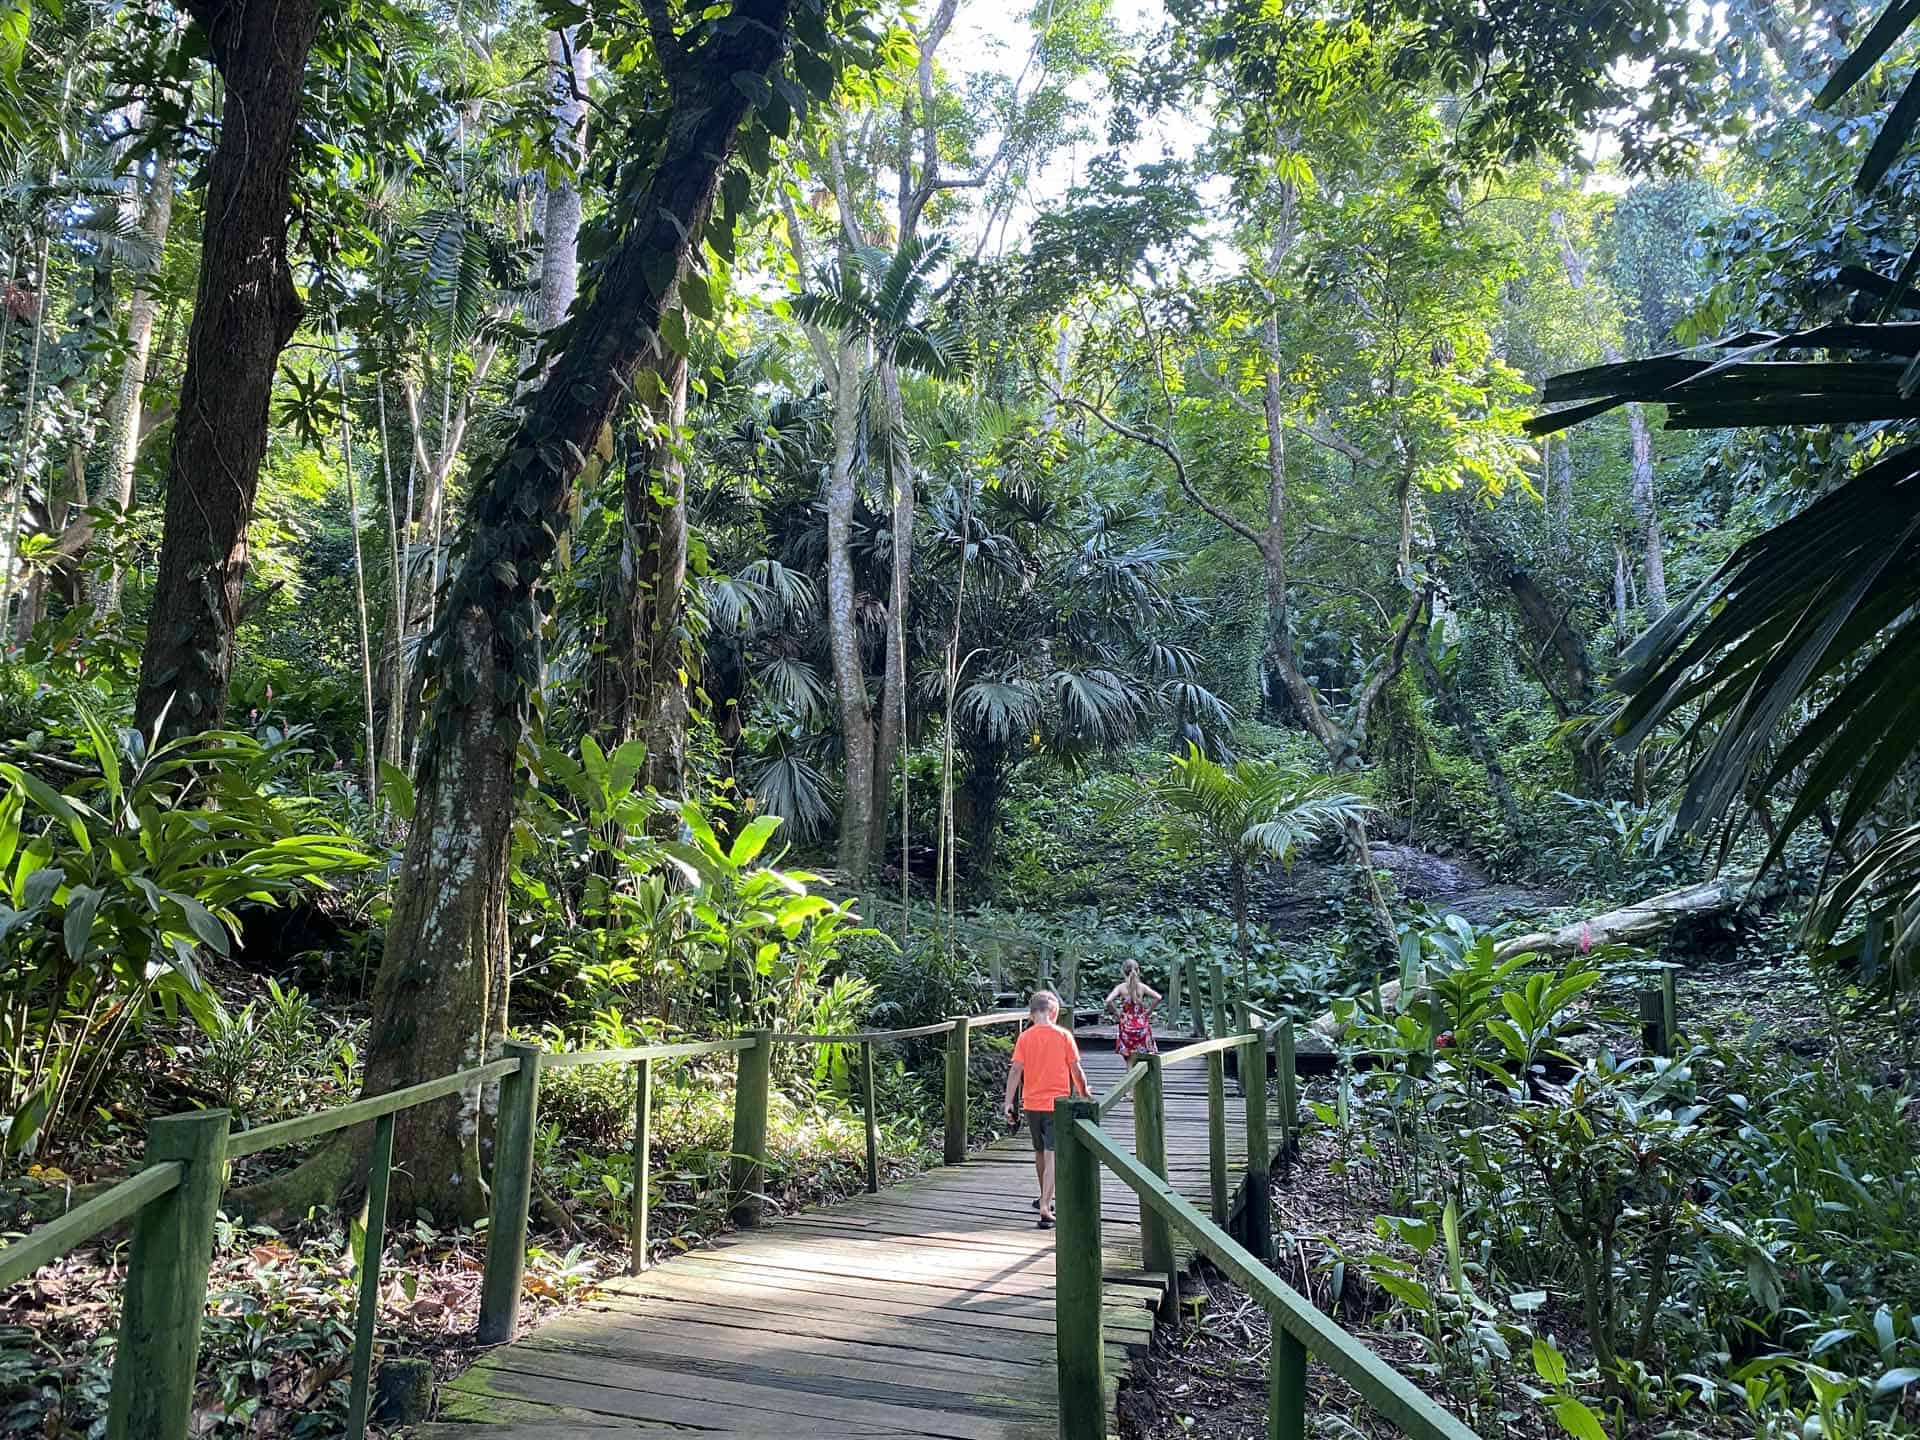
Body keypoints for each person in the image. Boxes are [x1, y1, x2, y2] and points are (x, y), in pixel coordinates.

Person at [1003, 990, 1091, 1229]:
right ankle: (1045, 1205)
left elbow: (1015, 1071)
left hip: (1031, 1102)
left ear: (1031, 1015)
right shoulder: (1063, 1036)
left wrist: (1008, 1101)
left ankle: (1045, 1196)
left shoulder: (1025, 1037)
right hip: (1057, 1104)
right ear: (1054, 1013)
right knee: (1053, 1152)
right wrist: (1084, 1094)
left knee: (1040, 1151)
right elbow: (1076, 1070)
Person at [1103, 959, 1161, 1063]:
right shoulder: (1142, 987)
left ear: (1122, 972)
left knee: (1129, 1060)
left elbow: (1108, 1001)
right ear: (1138, 971)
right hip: (1141, 1025)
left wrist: (1117, 1013)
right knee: (1145, 1059)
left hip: (1127, 1025)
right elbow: (1158, 997)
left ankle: (1131, 1077)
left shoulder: (1121, 988)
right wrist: (1149, 1012)